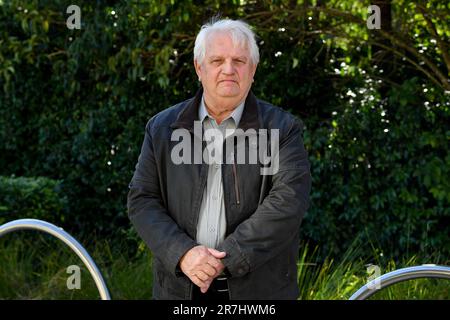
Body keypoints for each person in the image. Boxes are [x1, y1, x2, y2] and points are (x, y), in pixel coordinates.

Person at [127, 18, 311, 300]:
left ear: (253, 69)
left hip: (258, 295)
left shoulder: (282, 129)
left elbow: (288, 200)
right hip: (179, 291)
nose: (228, 69)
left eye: (239, 60)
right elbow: (142, 199)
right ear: (199, 68)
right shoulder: (162, 128)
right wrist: (183, 253)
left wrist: (229, 258)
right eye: (217, 61)